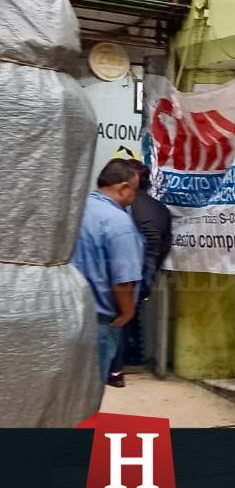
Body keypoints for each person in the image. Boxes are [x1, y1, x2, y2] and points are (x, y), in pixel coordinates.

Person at [72, 160, 144, 384]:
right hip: (100, 321)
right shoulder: (119, 222)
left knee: (70, 389)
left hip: (68, 311)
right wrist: (127, 313)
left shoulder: (77, 210)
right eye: (135, 189)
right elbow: (123, 281)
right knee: (90, 388)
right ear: (123, 188)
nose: (135, 196)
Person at [106, 160, 172, 387]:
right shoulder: (160, 209)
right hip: (149, 268)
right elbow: (165, 245)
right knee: (128, 313)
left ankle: (115, 369)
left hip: (128, 267)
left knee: (118, 317)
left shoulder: (124, 209)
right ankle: (128, 358)